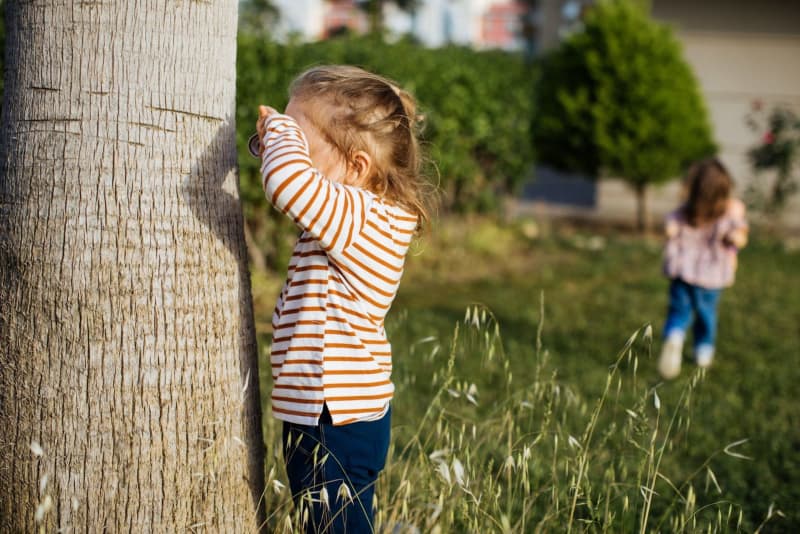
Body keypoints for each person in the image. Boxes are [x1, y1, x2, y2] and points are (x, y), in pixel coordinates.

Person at [254, 65, 429, 533]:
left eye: (299, 143)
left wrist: (277, 129)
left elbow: (286, 184)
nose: (279, 150)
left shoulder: (360, 214)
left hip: (336, 418)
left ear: (356, 167)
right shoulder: (354, 214)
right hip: (327, 414)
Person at [658, 158, 749, 379]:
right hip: (712, 276)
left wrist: (671, 230)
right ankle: (703, 350)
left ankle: (675, 335)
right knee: (706, 314)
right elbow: (740, 237)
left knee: (679, 310)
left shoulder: (686, 211)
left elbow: (670, 226)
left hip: (682, 272)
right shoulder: (730, 212)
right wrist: (734, 238)